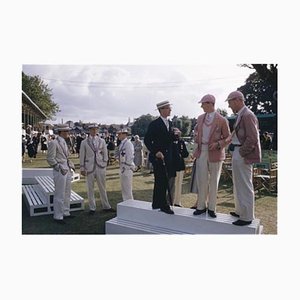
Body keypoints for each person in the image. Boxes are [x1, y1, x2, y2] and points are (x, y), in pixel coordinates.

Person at [225, 90, 261, 226]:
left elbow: (253, 138)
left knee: (245, 185)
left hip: (242, 153)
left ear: (237, 100)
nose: (229, 106)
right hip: (238, 151)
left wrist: (241, 153)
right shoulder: (242, 114)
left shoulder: (247, 115)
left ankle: (247, 217)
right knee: (238, 183)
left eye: (230, 102)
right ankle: (241, 211)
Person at [192, 94, 230, 218]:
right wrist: (196, 144)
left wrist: (218, 144)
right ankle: (201, 206)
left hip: (216, 153)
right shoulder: (200, 118)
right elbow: (197, 133)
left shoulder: (222, 120)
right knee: (201, 179)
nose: (202, 106)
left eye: (203, 104)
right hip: (201, 150)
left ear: (210, 104)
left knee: (214, 180)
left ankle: (212, 208)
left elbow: (228, 138)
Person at [144, 100, 176, 214]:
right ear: (161, 110)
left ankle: (157, 203)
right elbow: (147, 140)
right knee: (161, 181)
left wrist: (176, 136)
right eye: (168, 108)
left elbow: (169, 140)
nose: (170, 110)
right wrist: (155, 151)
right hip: (159, 157)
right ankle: (162, 204)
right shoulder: (154, 124)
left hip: (168, 156)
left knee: (165, 180)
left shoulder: (170, 123)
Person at [79, 123, 115, 215]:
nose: (94, 131)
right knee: (90, 188)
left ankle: (106, 206)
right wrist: (82, 168)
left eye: (96, 129)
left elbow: (105, 153)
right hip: (89, 167)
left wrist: (104, 162)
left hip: (100, 166)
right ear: (89, 130)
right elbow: (82, 156)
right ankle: (92, 208)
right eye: (92, 129)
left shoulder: (102, 141)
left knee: (102, 187)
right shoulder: (84, 142)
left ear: (98, 130)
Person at [46, 124, 76, 224]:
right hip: (60, 170)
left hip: (67, 169)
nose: (68, 133)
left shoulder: (64, 142)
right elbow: (50, 158)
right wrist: (58, 167)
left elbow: (66, 156)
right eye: (66, 131)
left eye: (68, 131)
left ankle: (66, 212)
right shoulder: (54, 143)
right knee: (59, 193)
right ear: (61, 132)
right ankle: (58, 216)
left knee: (67, 192)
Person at [171, 128, 189, 207]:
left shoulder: (181, 142)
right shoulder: (170, 142)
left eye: (178, 133)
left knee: (179, 184)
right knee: (173, 185)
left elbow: (186, 154)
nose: (177, 135)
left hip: (180, 165)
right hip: (173, 166)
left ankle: (177, 202)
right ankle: (171, 200)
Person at [117, 129, 135, 200]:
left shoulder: (128, 143)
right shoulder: (122, 143)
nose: (118, 135)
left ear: (124, 134)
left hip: (127, 168)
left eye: (120, 134)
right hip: (123, 167)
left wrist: (126, 167)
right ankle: (125, 202)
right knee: (124, 187)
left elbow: (130, 156)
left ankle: (129, 203)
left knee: (127, 188)